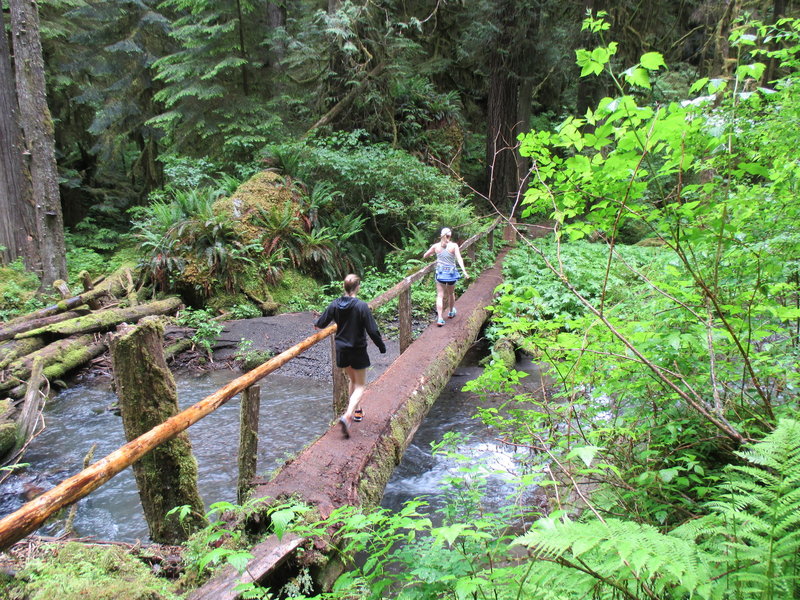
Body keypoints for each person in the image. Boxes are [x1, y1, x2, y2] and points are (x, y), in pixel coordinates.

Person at [315, 273, 386, 438]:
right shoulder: (361, 306)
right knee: (360, 385)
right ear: (358, 287)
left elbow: (320, 323)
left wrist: (318, 326)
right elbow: (372, 330)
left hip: (341, 349)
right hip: (358, 349)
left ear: (344, 287)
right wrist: (381, 346)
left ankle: (357, 411)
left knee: (352, 380)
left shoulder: (335, 304)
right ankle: (348, 415)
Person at [423, 227, 469, 326]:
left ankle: (440, 318)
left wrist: (432, 254)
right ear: (450, 235)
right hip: (451, 274)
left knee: (440, 295)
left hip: (440, 273)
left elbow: (425, 255)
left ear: (441, 235)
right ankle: (451, 312)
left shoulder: (436, 246)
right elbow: (459, 259)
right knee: (451, 293)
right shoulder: (454, 246)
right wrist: (464, 271)